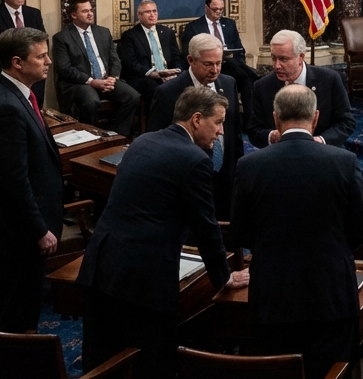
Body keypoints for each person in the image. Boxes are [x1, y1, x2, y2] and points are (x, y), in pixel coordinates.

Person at [77, 87, 249, 377]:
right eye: (218, 122)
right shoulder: (194, 160)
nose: (221, 132)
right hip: (143, 280)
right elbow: (206, 228)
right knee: (152, 360)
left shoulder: (143, 141)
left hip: (101, 264)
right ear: (196, 119)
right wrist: (224, 277)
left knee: (102, 357)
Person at [232, 85, 363, 377]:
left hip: (272, 297)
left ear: (275, 118)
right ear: (316, 117)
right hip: (331, 296)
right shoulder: (343, 162)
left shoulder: (249, 165)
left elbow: (241, 233)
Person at [0, 28, 60, 334]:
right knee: (17, 315)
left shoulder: (8, 92)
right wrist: (40, 230)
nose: (48, 61)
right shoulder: (6, 107)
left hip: (16, 227)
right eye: (41, 56)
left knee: (16, 305)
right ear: (17, 62)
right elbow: (14, 180)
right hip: (17, 233)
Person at [148, 34, 243, 219]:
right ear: (191, 60)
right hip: (188, 181)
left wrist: (238, 171)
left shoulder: (228, 83)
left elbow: (235, 132)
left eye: (219, 63)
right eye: (208, 64)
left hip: (226, 177)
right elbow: (156, 142)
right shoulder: (168, 93)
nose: (215, 70)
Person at [250, 30, 355, 148]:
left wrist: (321, 140)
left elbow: (347, 122)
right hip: (280, 155)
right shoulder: (262, 86)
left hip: (324, 152)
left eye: (283, 59)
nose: (276, 65)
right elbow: (254, 130)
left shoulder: (329, 80)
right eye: (274, 58)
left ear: (301, 57)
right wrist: (271, 136)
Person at [51, 0, 139, 135]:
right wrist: (92, 81)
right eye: (85, 11)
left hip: (106, 79)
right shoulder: (62, 38)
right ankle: (89, 137)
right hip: (80, 83)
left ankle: (116, 135)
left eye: (91, 10)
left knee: (132, 96)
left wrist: (113, 77)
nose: (90, 13)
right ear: (74, 15)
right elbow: (64, 68)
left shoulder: (103, 32)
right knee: (91, 102)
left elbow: (114, 59)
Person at [180, 0, 259, 127]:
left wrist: (239, 61)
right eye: (215, 9)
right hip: (210, 65)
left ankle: (249, 122)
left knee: (245, 78)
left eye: (221, 9)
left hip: (231, 63)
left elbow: (240, 49)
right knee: (249, 76)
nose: (218, 12)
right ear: (207, 7)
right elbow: (189, 53)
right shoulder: (194, 27)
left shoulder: (229, 24)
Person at [117, 0, 183, 104]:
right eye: (148, 12)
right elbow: (129, 62)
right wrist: (151, 73)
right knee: (159, 89)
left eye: (154, 11)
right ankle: (159, 120)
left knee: (187, 83)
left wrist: (176, 72)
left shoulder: (167, 33)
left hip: (169, 74)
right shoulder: (130, 35)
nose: (152, 15)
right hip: (145, 77)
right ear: (139, 15)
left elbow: (177, 57)